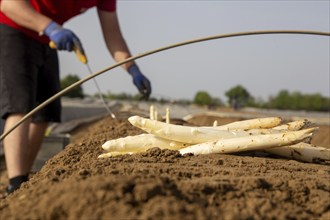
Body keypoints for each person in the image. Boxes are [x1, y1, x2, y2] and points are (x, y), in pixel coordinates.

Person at [0, 0, 151, 194]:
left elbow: (113, 35)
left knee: (46, 112)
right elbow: (9, 5)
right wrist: (50, 27)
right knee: (19, 105)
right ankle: (15, 183)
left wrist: (133, 69)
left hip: (46, 38)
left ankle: (23, 179)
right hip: (14, 27)